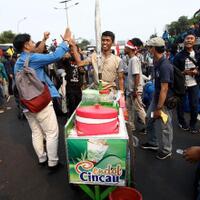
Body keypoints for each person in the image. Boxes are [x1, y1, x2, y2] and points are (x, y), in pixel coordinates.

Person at [13, 28, 73, 172]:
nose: (34, 43)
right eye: (32, 41)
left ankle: (42, 158)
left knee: (36, 132)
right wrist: (66, 41)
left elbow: (38, 52)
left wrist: (44, 39)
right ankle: (53, 162)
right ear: (26, 45)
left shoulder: (18, 62)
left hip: (26, 103)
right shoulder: (33, 59)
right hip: (40, 102)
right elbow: (55, 56)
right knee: (52, 132)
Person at [141, 37, 174, 160]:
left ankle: (166, 150)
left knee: (165, 125)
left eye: (150, 47)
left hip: (164, 102)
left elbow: (165, 89)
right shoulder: (157, 62)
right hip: (157, 98)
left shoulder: (165, 65)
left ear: (154, 49)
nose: (148, 50)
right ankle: (153, 142)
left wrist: (159, 108)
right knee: (149, 118)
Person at [173, 32, 200, 134]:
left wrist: (197, 71)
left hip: (194, 83)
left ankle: (193, 125)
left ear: (194, 41)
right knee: (181, 105)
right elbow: (174, 71)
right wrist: (184, 72)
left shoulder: (198, 54)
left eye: (191, 39)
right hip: (182, 84)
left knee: (194, 105)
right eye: (187, 39)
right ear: (184, 41)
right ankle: (181, 122)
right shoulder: (178, 56)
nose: (189, 40)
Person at [124, 39, 146, 132]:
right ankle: (131, 126)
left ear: (130, 48)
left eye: (126, 47)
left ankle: (148, 127)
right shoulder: (131, 59)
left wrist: (135, 90)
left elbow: (136, 75)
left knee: (139, 109)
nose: (124, 48)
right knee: (129, 109)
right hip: (130, 90)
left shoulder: (134, 60)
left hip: (134, 90)